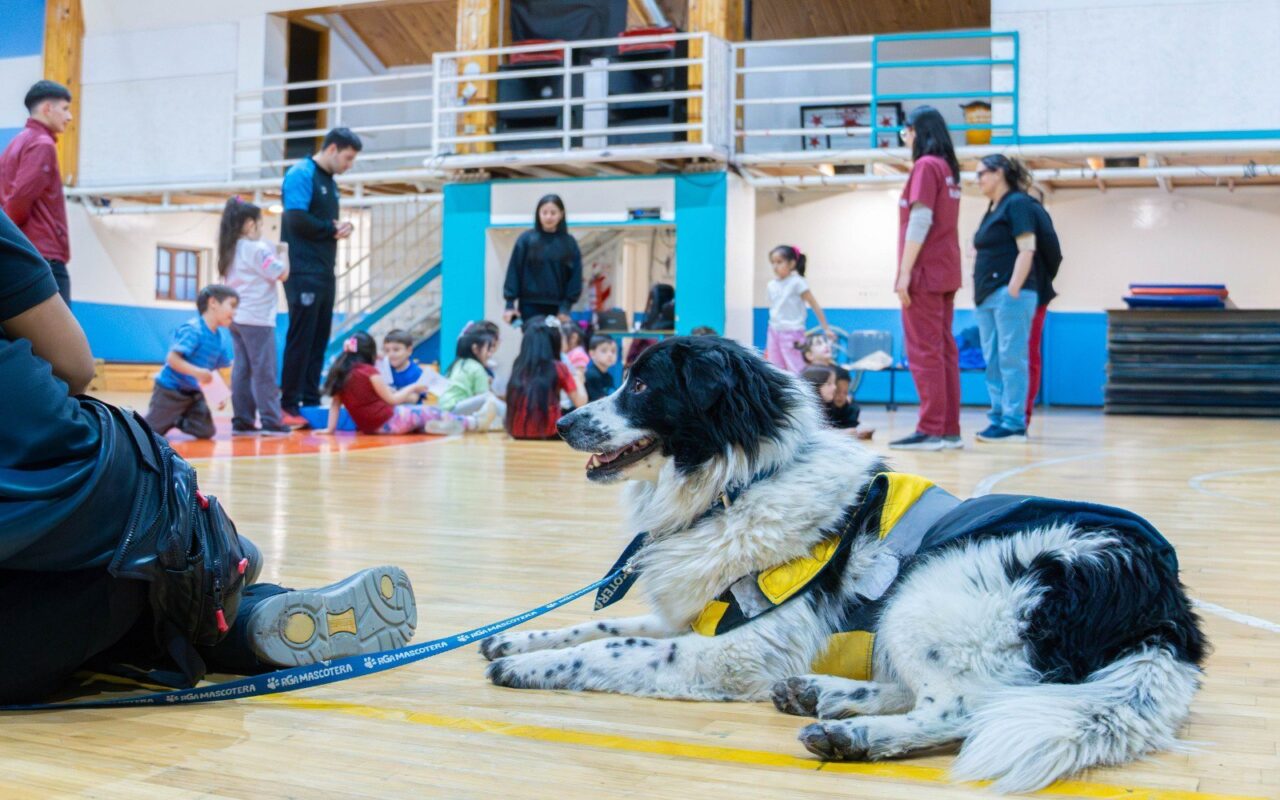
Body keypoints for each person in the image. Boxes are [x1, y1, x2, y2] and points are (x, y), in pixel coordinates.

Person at [0, 210, 417, 704]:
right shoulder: (197, 331)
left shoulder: (219, 333)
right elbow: (75, 365)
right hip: (81, 493)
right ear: (215, 305)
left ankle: (216, 591)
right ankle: (216, 580)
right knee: (129, 561)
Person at [890, 106, 963, 452]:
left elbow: (920, 221)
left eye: (907, 133)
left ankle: (931, 429)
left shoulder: (924, 166)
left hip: (923, 272)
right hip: (945, 270)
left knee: (924, 352)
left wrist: (904, 272)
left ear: (917, 131)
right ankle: (948, 429)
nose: (907, 140)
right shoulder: (948, 169)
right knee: (944, 352)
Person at [279, 127, 362, 424]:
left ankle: (310, 399)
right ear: (332, 149)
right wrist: (331, 228)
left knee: (318, 339)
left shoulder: (331, 182)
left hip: (325, 270)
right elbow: (296, 219)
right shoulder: (301, 173)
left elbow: (323, 222)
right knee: (301, 338)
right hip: (303, 270)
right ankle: (288, 404)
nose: (349, 165)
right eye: (348, 158)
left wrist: (340, 227)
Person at [972, 154, 1041, 443]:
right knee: (993, 360)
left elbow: (1027, 248)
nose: (978, 181)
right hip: (987, 296)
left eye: (981, 174)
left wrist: (1013, 287)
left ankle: (1013, 423)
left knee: (1012, 358)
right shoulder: (992, 208)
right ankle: (998, 417)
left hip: (1009, 295)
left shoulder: (1017, 203)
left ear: (999, 172)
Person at [317, 331, 494, 436]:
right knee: (428, 411)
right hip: (389, 420)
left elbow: (335, 405)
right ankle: (474, 423)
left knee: (419, 417)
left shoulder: (341, 374)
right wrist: (414, 386)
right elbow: (392, 400)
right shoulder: (370, 372)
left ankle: (435, 427)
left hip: (371, 428)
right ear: (370, 352)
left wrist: (329, 429)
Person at [218, 197, 291, 437]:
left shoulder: (230, 248)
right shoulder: (256, 249)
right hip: (257, 319)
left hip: (236, 318)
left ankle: (243, 420)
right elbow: (281, 273)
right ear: (250, 224)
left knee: (242, 369)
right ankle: (271, 420)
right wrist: (283, 252)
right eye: (260, 224)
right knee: (264, 370)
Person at [0, 81, 74, 305]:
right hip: (43, 257)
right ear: (47, 109)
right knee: (62, 340)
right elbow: (19, 200)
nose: (69, 116)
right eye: (65, 108)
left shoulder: (15, 144)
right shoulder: (42, 144)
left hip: (25, 254)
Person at [143, 285, 239, 441]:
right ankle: (166, 418)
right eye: (232, 305)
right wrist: (197, 372)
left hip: (194, 395)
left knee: (206, 431)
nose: (235, 312)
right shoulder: (193, 329)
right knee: (148, 433)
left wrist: (219, 395)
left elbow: (214, 371)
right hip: (170, 390)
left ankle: (176, 419)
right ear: (213, 302)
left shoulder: (220, 338)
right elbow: (172, 359)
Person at [502, 194, 583, 326]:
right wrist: (509, 304)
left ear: (561, 214)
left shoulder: (569, 243)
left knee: (553, 344)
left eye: (553, 212)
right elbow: (514, 271)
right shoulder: (526, 239)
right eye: (544, 212)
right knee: (533, 343)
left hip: (558, 308)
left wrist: (566, 307)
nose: (548, 217)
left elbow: (575, 278)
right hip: (529, 306)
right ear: (538, 214)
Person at [506, 316, 587, 439]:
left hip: (516, 433)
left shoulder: (518, 366)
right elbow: (580, 402)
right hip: (548, 434)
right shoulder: (558, 367)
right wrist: (578, 378)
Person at [1025, 187, 1062, 428]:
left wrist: (1038, 281)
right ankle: (1011, 415)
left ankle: (1020, 416)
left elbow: (1054, 255)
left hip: (1032, 294)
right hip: (1013, 295)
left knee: (1027, 356)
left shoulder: (1034, 213)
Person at [765, 245, 833, 374]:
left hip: (792, 332)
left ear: (792, 264)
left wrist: (826, 328)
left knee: (796, 368)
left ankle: (800, 394)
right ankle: (780, 394)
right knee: (775, 368)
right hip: (773, 330)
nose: (775, 266)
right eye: (773, 263)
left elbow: (814, 304)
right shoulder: (771, 285)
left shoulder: (797, 282)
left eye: (779, 262)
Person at [798, 332, 873, 439]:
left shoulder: (840, 372)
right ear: (809, 355)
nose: (826, 345)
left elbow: (844, 402)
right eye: (819, 343)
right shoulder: (806, 377)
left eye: (826, 342)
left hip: (835, 416)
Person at [437, 325, 506, 424]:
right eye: (488, 350)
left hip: (444, 408)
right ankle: (513, 419)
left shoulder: (459, 363)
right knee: (489, 399)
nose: (490, 354)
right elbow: (484, 397)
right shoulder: (477, 368)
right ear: (475, 349)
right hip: (454, 409)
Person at [381, 329, 428, 403]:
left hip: (410, 412)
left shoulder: (416, 372)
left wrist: (390, 394)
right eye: (387, 351)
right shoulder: (386, 368)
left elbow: (414, 399)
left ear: (409, 351)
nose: (391, 354)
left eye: (396, 350)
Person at [584, 334, 618, 401]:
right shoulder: (592, 375)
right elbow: (600, 402)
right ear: (592, 354)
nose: (610, 355)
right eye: (604, 351)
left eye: (613, 351)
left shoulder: (608, 376)